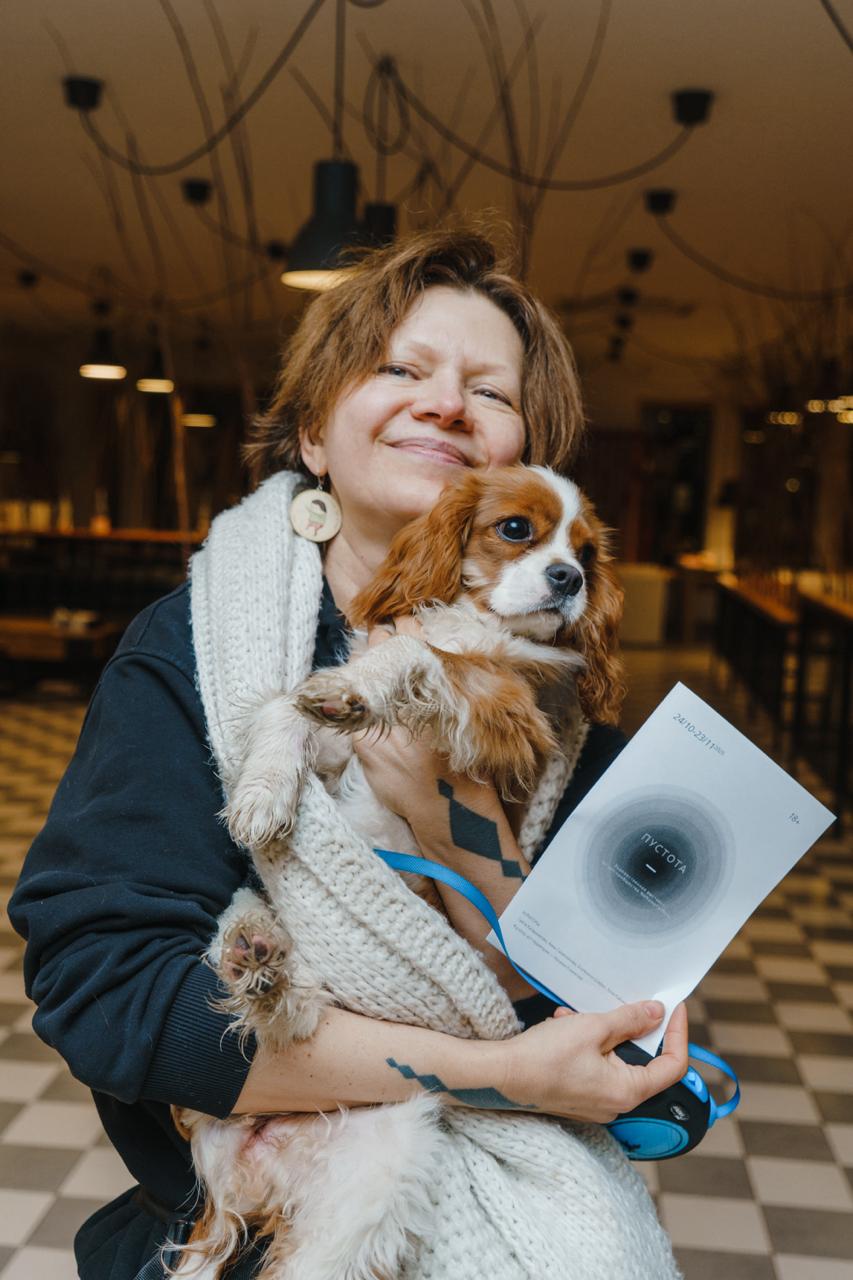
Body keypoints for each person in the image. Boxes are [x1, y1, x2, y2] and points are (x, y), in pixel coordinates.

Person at [10, 227, 687, 1279]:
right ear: (314, 437)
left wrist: (457, 824)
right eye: (399, 369)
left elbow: (639, 1054)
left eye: (489, 391)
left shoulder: (569, 716)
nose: (445, 402)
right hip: (256, 1222)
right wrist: (497, 1073)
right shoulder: (187, 654)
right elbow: (107, 996)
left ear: (526, 462)